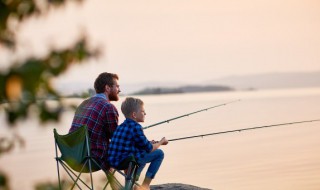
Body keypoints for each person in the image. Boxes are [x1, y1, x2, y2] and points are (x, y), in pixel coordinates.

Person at [108, 97, 169, 190]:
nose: (145, 113)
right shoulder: (136, 127)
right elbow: (149, 148)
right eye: (142, 111)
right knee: (159, 154)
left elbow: (132, 143)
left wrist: (149, 142)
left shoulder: (120, 126)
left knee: (140, 152)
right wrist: (160, 142)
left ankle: (132, 184)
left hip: (113, 161)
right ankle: (145, 186)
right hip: (126, 162)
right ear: (134, 114)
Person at [69, 72, 121, 170]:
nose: (119, 90)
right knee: (129, 151)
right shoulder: (108, 107)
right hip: (92, 160)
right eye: (117, 87)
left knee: (104, 146)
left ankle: (117, 185)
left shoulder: (83, 103)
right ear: (107, 88)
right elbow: (116, 139)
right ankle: (131, 184)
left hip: (73, 157)